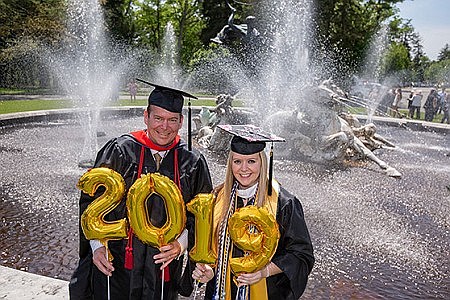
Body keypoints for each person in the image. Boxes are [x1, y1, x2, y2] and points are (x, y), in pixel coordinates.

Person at [69, 82, 213, 299]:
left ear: (181, 122)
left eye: (172, 120)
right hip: (116, 260)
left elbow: (202, 216)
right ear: (146, 116)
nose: (165, 127)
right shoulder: (120, 150)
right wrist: (97, 246)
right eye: (158, 118)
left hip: (163, 265)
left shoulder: (191, 161)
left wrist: (181, 245)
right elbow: (91, 202)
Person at [192, 125, 315, 300]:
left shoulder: (283, 203)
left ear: (262, 162)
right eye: (237, 161)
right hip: (223, 291)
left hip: (265, 291)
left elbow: (300, 254)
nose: (244, 169)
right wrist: (209, 272)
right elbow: (211, 249)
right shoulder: (217, 198)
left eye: (251, 161)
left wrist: (264, 271)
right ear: (230, 163)